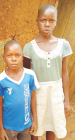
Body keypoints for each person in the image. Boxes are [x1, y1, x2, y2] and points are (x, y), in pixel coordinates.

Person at [23, 5, 73, 140]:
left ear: (56, 21)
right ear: (37, 21)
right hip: (37, 93)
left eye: (51, 20)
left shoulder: (63, 44)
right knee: (37, 127)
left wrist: (66, 101)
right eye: (43, 20)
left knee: (53, 124)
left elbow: (64, 73)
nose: (47, 24)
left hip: (56, 92)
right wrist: (27, 100)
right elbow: (27, 77)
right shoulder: (29, 47)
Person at [0, 40, 40, 140]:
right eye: (9, 55)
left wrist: (34, 121)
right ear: (4, 57)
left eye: (17, 55)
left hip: (26, 124)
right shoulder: (0, 80)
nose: (13, 59)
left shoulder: (30, 75)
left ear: (22, 57)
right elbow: (0, 104)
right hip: (8, 127)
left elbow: (32, 98)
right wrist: (1, 128)